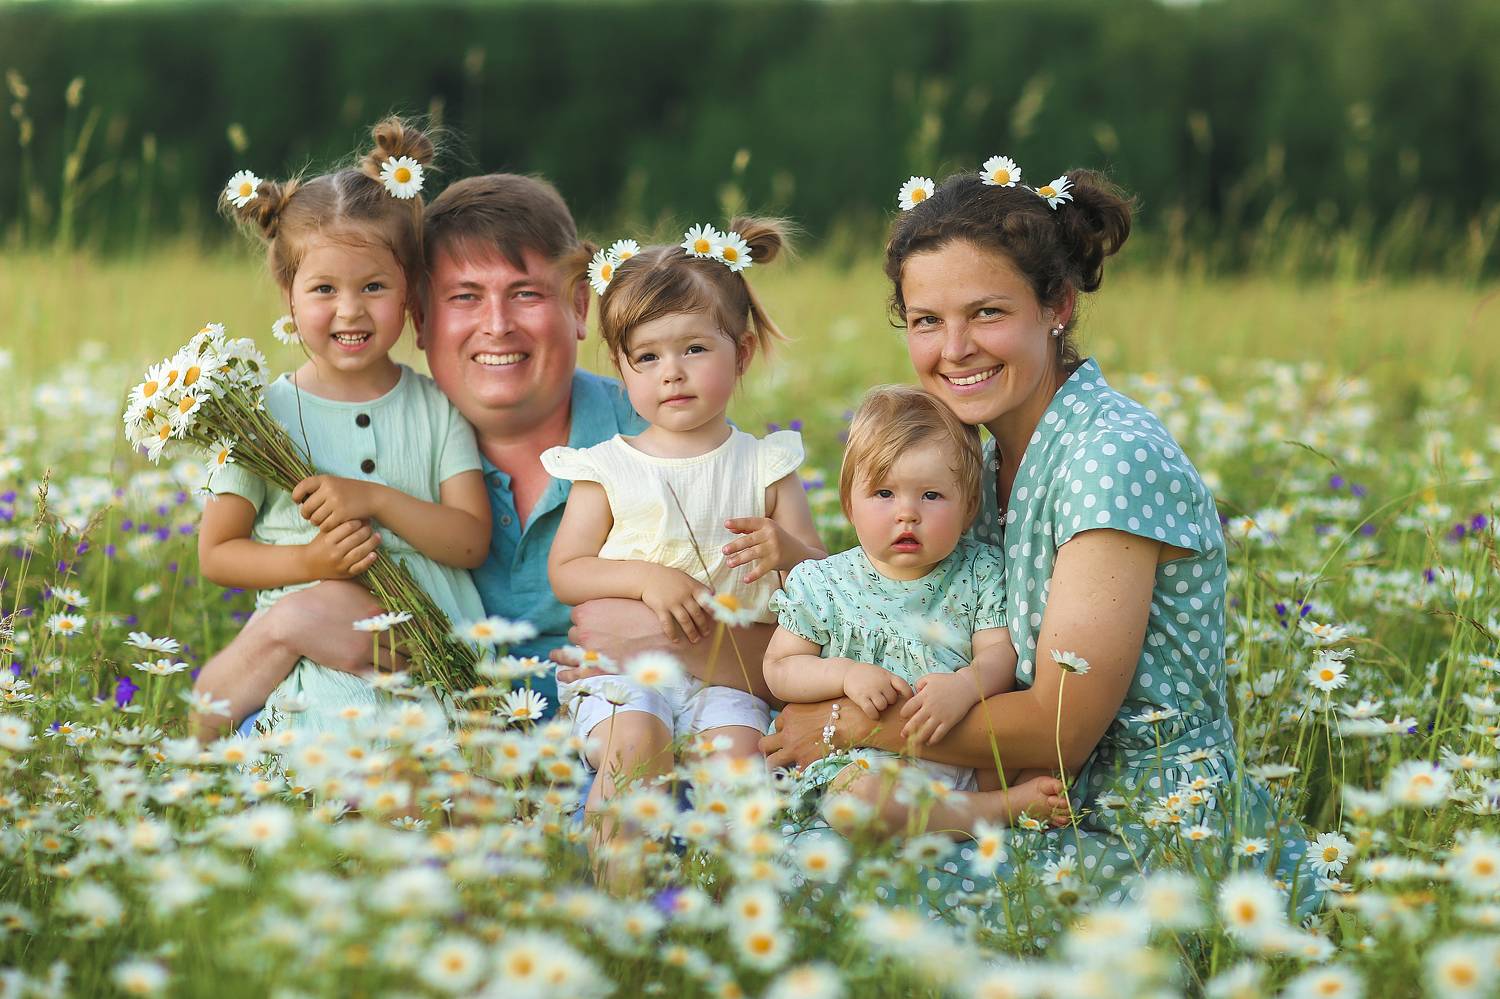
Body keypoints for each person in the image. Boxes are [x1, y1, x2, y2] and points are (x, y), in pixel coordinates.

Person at [762, 160, 1315, 917]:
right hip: (995, 790)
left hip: (1136, 819)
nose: (955, 348)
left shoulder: (1109, 459)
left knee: (837, 906)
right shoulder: (976, 460)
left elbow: (1061, 729)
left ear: (1056, 305)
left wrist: (853, 724)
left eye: (986, 313)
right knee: (764, 857)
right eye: (926, 321)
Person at [192, 172, 780, 736]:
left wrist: (675, 644)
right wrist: (287, 626)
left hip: (625, 746)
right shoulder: (389, 440)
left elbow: (799, 646)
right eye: (464, 297)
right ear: (420, 317)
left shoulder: (671, 437)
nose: (497, 326)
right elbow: (215, 705)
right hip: (415, 745)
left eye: (525, 294)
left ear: (579, 306)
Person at [193, 118, 490, 739]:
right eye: (324, 289)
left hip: (436, 663)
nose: (350, 310)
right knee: (332, 763)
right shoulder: (258, 416)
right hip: (318, 665)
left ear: (410, 291)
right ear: (288, 293)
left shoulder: (437, 408)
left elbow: (470, 541)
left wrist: (376, 499)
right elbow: (218, 553)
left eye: (374, 286)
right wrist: (312, 559)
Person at [541, 219, 824, 868]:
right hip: (622, 674)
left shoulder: (766, 467)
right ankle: (619, 895)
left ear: (742, 353)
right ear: (621, 368)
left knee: (741, 768)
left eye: (694, 348)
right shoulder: (608, 468)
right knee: (634, 744)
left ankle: (724, 902)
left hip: (730, 679)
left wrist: (787, 551)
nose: (671, 373)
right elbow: (568, 570)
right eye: (647, 357)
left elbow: (821, 581)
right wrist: (646, 578)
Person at [764, 385, 1068, 837]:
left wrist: (965, 686)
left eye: (931, 496)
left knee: (1044, 759)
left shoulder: (979, 570)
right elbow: (780, 668)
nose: (907, 514)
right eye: (884, 493)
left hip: (957, 750)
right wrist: (845, 674)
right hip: (861, 764)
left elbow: (999, 653)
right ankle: (993, 811)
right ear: (849, 504)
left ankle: (972, 807)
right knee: (860, 801)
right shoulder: (822, 583)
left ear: (969, 508)